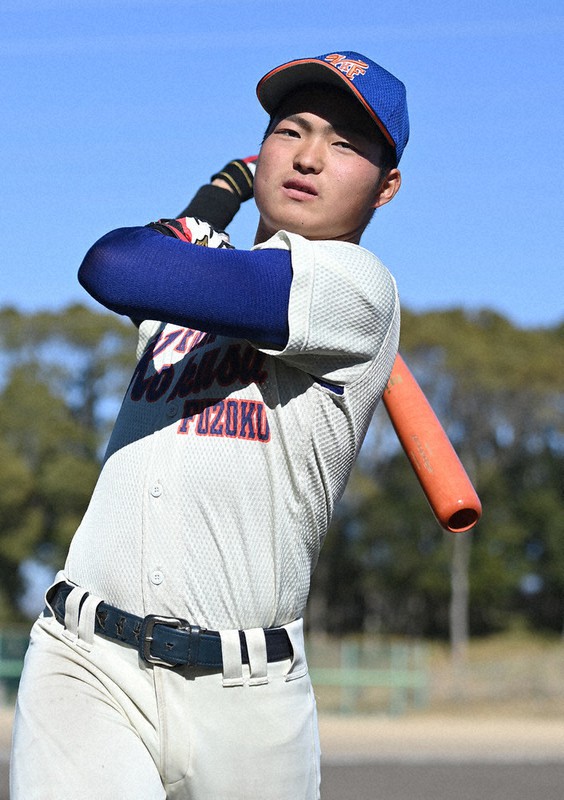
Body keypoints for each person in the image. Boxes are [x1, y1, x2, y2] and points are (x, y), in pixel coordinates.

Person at [11, 51, 409, 800]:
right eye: (291, 131)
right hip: (85, 661)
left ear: (386, 187)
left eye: (346, 145)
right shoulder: (193, 285)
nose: (310, 157)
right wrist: (215, 203)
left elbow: (129, 266)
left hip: (248, 694)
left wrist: (212, 203)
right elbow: (114, 262)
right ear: (263, 150)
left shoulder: (357, 289)